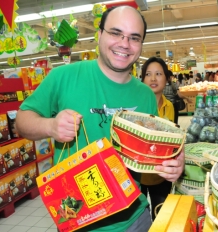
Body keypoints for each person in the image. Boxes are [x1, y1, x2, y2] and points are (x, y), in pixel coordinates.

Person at [15, 6, 184, 232]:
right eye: (115, 33)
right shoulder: (63, 77)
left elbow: (147, 157)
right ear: (100, 34)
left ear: (141, 44)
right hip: (78, 220)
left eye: (134, 38)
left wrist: (173, 162)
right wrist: (51, 126)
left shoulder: (145, 95)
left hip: (134, 218)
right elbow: (21, 122)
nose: (124, 43)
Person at [140, 57, 174, 221]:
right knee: (139, 219)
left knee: (161, 217)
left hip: (161, 175)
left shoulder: (169, 106)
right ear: (143, 79)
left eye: (158, 74)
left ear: (166, 78)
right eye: (148, 74)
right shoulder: (135, 108)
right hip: (137, 174)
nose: (153, 79)